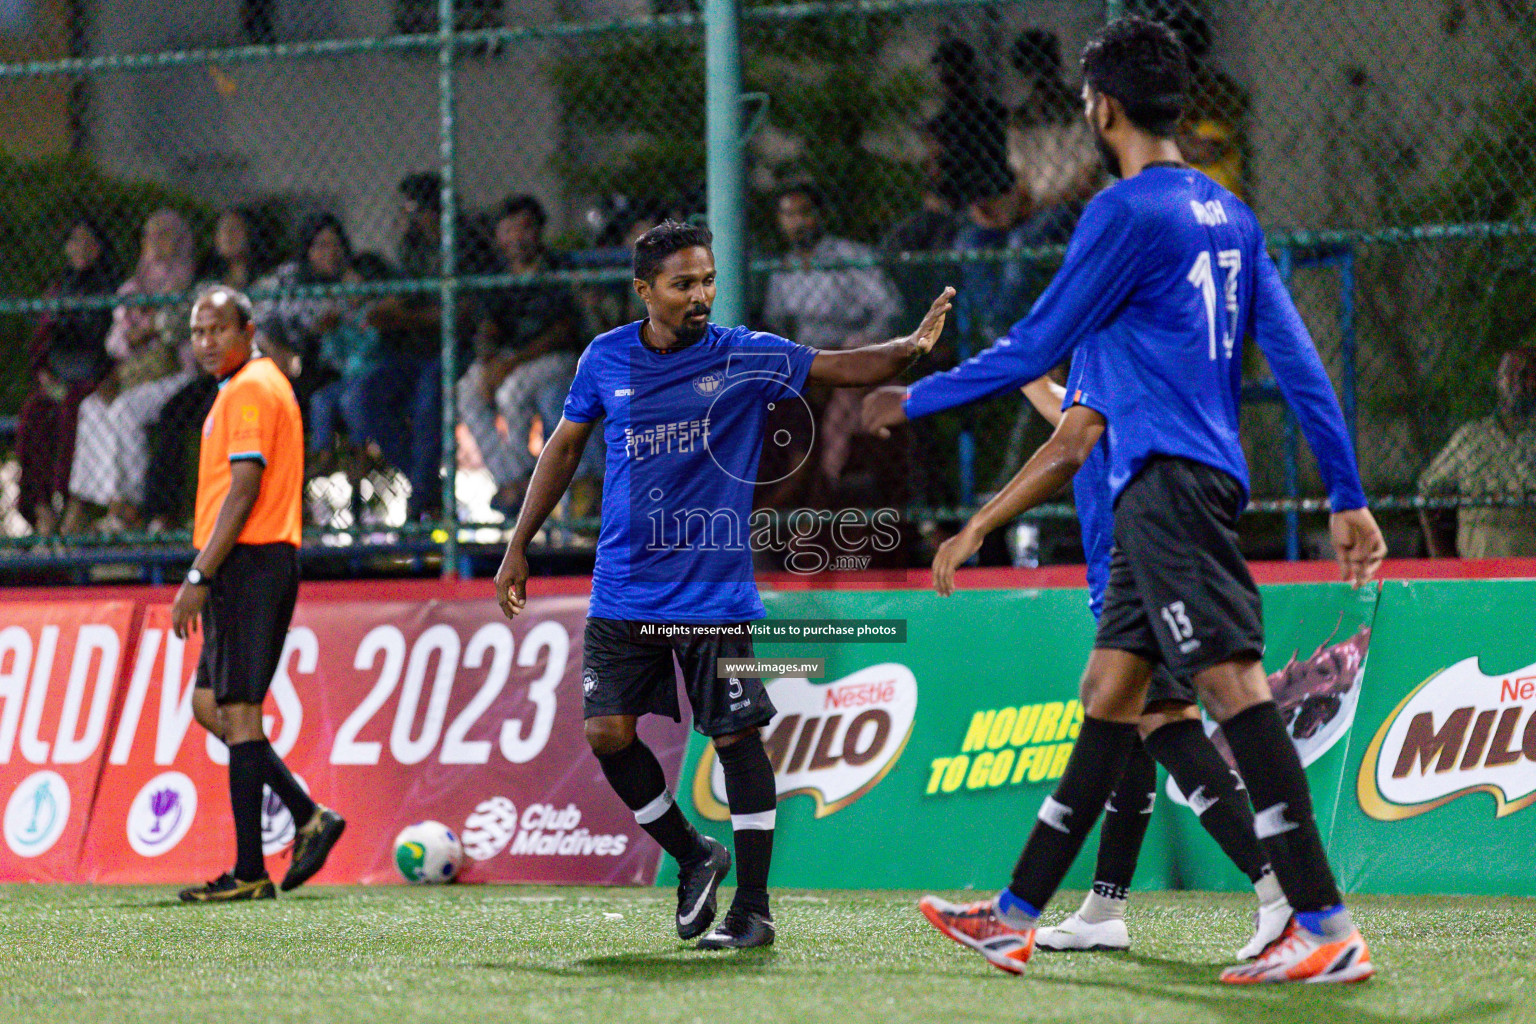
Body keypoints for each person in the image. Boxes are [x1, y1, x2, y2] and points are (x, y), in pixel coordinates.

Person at [865, 17, 1386, 983]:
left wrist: (911, 393)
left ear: (1100, 108)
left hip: (1163, 486)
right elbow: (1303, 361)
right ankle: (1016, 914)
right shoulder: (1231, 213)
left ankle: (1319, 917)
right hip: (1197, 478)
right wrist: (1345, 491)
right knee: (1112, 693)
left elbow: (1031, 347)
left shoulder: (1122, 214)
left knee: (1231, 685)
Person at [493, 221, 953, 950]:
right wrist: (519, 544)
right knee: (607, 733)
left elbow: (843, 366)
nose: (701, 294)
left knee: (737, 737)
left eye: (707, 280)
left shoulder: (745, 354)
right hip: (624, 590)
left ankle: (756, 909)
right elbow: (564, 446)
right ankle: (694, 855)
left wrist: (909, 350)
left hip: (714, 594)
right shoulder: (604, 357)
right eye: (683, 284)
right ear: (644, 291)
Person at [930, 370, 1291, 958]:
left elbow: (1067, 446)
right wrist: (1024, 369)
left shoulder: (1113, 336)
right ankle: (1103, 909)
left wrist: (978, 524)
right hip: (1135, 565)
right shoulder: (1112, 362)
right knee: (1122, 721)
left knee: (1165, 722)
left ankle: (1278, 890)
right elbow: (1066, 415)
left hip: (1144, 562)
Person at [170, 285, 345, 902]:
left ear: (247, 330)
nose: (205, 342)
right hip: (246, 564)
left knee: (239, 712)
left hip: (251, 562)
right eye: (196, 332)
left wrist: (199, 574)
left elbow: (244, 490)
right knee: (210, 706)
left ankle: (249, 873)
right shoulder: (244, 385)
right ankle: (308, 816)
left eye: (217, 329)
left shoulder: (250, 388)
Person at [63, 208, 198, 535]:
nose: (156, 243)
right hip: (137, 374)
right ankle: (99, 502)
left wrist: (152, 328)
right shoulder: (133, 286)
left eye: (165, 235)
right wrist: (142, 331)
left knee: (126, 409)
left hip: (178, 373)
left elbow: (183, 327)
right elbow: (116, 343)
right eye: (150, 236)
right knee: (91, 408)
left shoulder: (190, 281)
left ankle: (133, 505)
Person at [763, 184, 902, 496]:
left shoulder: (849, 257)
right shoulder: (782, 271)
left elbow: (889, 310)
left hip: (851, 353)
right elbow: (777, 325)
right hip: (806, 361)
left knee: (842, 398)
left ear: (821, 216)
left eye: (804, 213)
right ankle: (800, 493)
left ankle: (832, 482)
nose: (797, 223)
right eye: (788, 215)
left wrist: (858, 345)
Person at [143, 208, 276, 533]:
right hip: (217, 377)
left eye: (236, 229)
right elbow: (178, 326)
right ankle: (164, 514)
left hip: (257, 375)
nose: (228, 236)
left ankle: (239, 513)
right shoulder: (207, 285)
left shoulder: (267, 279)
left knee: (230, 422)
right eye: (222, 230)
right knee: (173, 413)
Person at [456, 194, 587, 513]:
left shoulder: (556, 268)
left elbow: (563, 332)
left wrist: (508, 365)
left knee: (511, 392)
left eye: (525, 228)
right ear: (498, 236)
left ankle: (521, 483)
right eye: (508, 229)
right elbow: (487, 326)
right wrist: (488, 363)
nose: (517, 237)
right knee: (466, 391)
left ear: (539, 232)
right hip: (511, 359)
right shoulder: (496, 273)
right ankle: (515, 478)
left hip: (557, 358)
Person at [16, 217, 117, 537]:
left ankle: (70, 502)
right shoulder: (61, 287)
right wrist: (46, 374)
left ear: (99, 248)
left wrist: (68, 321)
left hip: (90, 377)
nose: (78, 248)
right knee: (34, 412)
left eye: (86, 242)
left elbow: (101, 340)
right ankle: (40, 507)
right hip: (59, 376)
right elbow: (42, 341)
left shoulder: (108, 285)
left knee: (73, 413)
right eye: (73, 242)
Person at [1417, 347, 1536, 557]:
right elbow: (1427, 495)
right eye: (1509, 373)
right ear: (1497, 381)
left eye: (1526, 374)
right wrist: (1444, 562)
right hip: (1478, 573)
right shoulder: (1471, 438)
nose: (1517, 381)